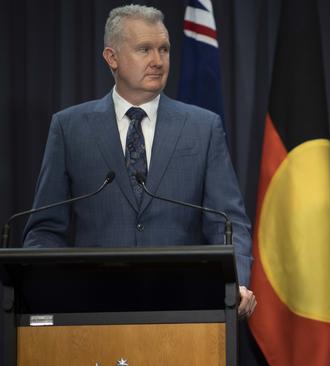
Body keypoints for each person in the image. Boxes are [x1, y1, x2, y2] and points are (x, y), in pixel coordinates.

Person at [23, 5, 256, 318]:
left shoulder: (203, 127)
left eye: (164, 49)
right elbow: (45, 230)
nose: (158, 61)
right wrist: (43, 287)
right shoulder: (69, 128)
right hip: (91, 312)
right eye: (144, 49)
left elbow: (228, 222)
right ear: (112, 57)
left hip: (184, 312)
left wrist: (235, 281)